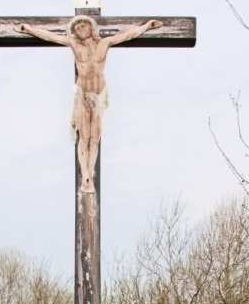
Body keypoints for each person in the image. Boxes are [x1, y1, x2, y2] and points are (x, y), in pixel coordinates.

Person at [15, 16, 163, 191]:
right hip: (82, 94)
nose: (81, 29)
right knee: (83, 136)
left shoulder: (105, 43)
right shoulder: (74, 44)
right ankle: (85, 175)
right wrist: (29, 29)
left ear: (91, 28)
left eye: (84, 25)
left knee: (95, 137)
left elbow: (129, 35)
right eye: (77, 28)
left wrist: (147, 26)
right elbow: (50, 36)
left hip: (99, 94)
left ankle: (90, 172)